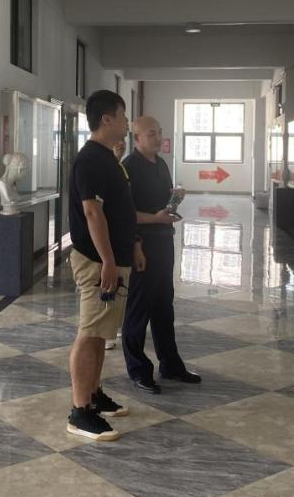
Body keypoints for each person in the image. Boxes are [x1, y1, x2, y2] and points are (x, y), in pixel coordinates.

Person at [66, 90, 145, 442]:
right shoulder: (91, 160)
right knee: (90, 332)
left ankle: (94, 394)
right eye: (124, 117)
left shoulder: (108, 158)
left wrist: (133, 245)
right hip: (98, 261)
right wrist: (109, 261)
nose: (127, 123)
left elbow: (118, 208)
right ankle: (80, 410)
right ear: (107, 119)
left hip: (114, 258)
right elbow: (92, 212)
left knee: (101, 332)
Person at [122, 117, 201, 393]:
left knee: (164, 307)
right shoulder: (129, 167)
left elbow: (161, 207)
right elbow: (124, 214)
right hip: (142, 246)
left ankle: (170, 365)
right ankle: (138, 370)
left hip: (164, 242)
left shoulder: (161, 164)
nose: (158, 138)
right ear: (137, 138)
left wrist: (174, 200)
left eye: (159, 132)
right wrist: (138, 242)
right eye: (151, 134)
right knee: (138, 309)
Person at [104, 139, 127, 351]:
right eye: (117, 142)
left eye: (123, 142)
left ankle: (117, 325)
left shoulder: (121, 167)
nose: (121, 145)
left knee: (121, 284)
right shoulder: (101, 167)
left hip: (121, 237)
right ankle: (106, 333)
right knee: (109, 285)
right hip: (107, 237)